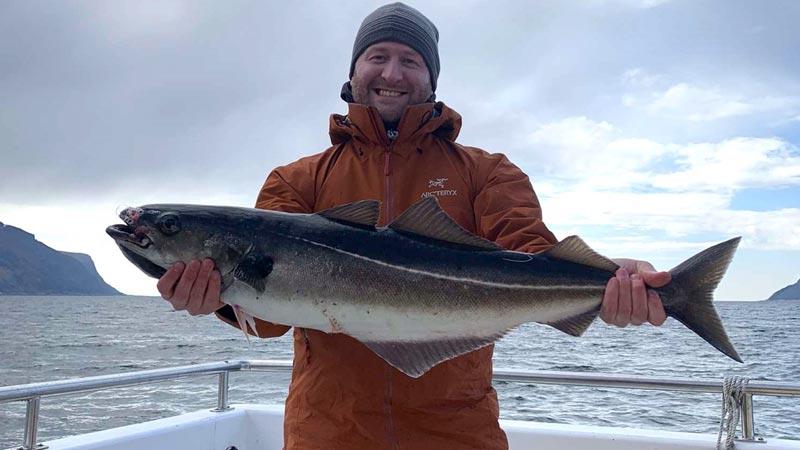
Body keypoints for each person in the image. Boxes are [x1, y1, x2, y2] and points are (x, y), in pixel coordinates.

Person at [156, 3, 670, 449]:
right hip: (329, 434)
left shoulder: (486, 171)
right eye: (378, 56)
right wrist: (221, 296)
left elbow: (531, 252)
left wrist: (607, 281)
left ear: (432, 79)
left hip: (457, 433)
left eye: (411, 60)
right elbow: (271, 319)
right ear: (354, 70)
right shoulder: (297, 180)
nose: (393, 73)